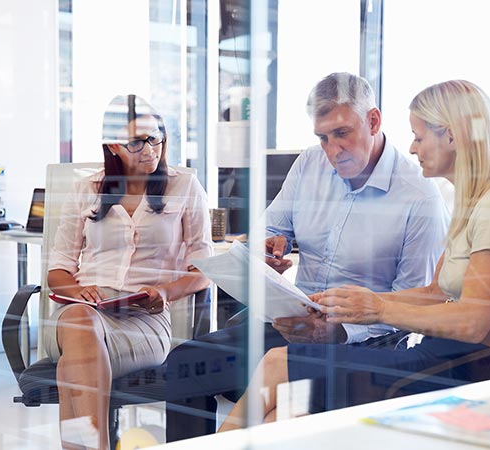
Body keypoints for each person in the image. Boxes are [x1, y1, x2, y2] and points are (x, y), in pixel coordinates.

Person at [219, 79, 490, 430]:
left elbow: (473, 322)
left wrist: (376, 308)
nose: (411, 147)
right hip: (446, 356)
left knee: (276, 365)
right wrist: (352, 304)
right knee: (285, 413)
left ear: (451, 136)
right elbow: (435, 294)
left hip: (475, 368)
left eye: (420, 137)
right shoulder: (474, 205)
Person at [165, 72, 449, 441]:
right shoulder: (308, 165)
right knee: (185, 364)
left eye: (342, 133)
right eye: (323, 137)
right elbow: (269, 232)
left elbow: (412, 308)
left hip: (361, 344)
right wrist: (267, 249)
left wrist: (340, 330)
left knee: (286, 408)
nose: (332, 150)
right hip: (292, 325)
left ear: (374, 121)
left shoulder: (420, 198)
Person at [41, 94, 213, 449]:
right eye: (137, 142)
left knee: (72, 365)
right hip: (83, 310)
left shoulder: (184, 187)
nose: (150, 149)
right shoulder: (86, 190)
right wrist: (77, 293)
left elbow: (205, 270)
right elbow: (58, 270)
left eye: (155, 138)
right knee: (81, 324)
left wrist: (165, 293)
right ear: (113, 145)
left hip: (144, 319)